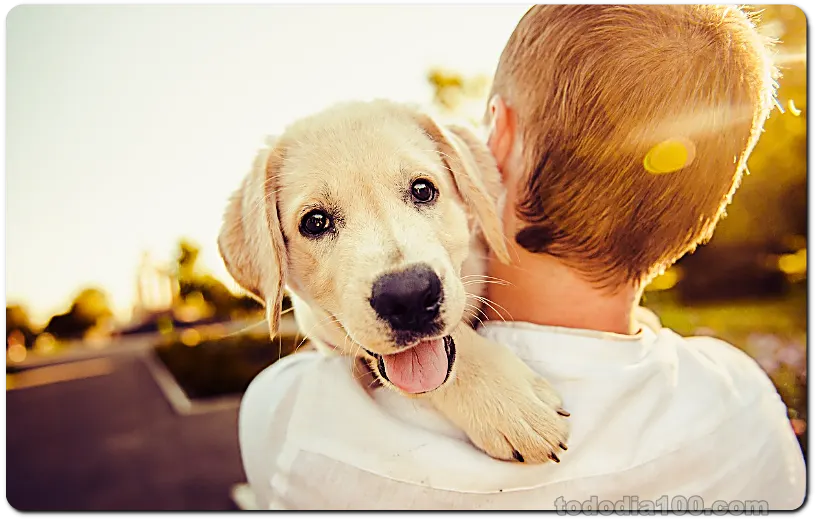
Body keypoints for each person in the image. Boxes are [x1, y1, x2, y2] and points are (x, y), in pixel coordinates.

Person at [237, 4, 806, 510]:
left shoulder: (293, 419)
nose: (401, 267)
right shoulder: (744, 406)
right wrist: (462, 373)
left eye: (421, 191)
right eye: (317, 223)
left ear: (496, 141)